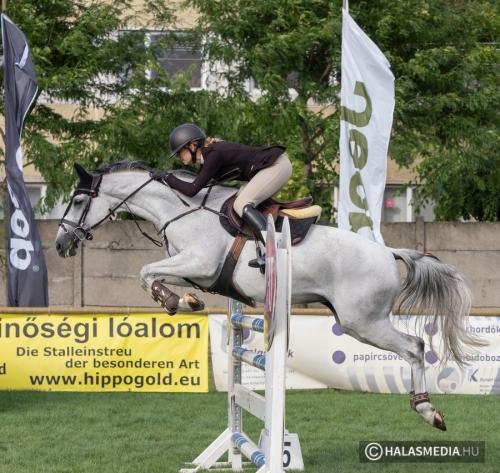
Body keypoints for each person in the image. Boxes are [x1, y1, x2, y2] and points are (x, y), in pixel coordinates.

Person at [150, 123, 292, 269]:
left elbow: (192, 190)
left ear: (192, 146)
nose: (178, 156)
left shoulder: (214, 155)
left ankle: (274, 248)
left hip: (276, 166)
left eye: (179, 151)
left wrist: (167, 177)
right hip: (272, 167)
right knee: (240, 200)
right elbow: (199, 187)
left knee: (241, 204)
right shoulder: (209, 158)